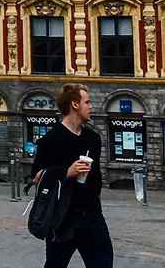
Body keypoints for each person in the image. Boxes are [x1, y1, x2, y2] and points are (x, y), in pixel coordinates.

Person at [30, 84, 112, 268]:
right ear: (75, 105)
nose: (91, 106)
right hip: (61, 218)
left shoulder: (93, 138)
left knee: (103, 264)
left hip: (91, 216)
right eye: (87, 102)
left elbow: (96, 177)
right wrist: (66, 172)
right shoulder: (51, 140)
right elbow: (36, 177)